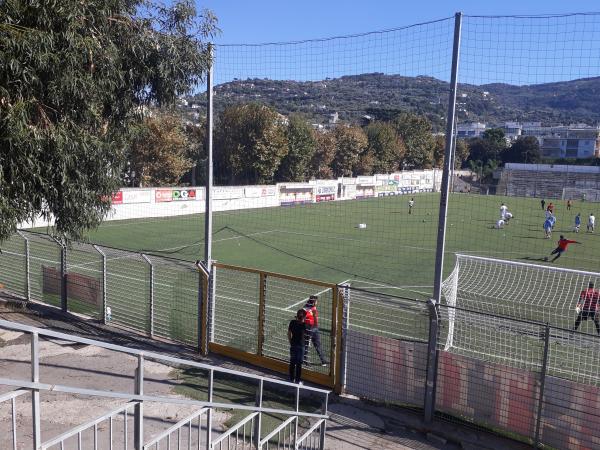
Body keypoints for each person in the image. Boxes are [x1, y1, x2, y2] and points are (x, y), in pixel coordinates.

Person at [303, 295, 328, 366]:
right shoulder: (306, 308)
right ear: (314, 302)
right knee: (306, 345)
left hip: (315, 328)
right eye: (316, 301)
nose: (317, 302)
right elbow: (303, 317)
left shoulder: (312, 307)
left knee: (318, 344)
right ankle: (305, 360)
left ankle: (323, 360)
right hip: (309, 329)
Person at [288, 309, 307, 383]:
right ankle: (297, 380)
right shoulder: (304, 325)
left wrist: (291, 342)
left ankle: (291, 379)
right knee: (299, 364)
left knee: (292, 362)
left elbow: (289, 333)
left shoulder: (292, 322)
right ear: (303, 317)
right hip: (301, 346)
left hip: (293, 344)